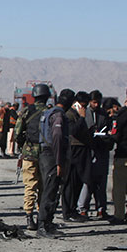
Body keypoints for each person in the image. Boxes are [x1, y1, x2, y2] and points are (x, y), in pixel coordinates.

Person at [37, 88, 73, 238]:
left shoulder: (48, 112)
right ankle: (43, 225)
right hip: (52, 155)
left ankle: (48, 223)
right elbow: (57, 137)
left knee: (50, 189)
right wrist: (59, 162)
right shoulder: (58, 115)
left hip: (45, 154)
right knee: (50, 190)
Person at [14, 84, 48, 230]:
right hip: (46, 154)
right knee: (44, 187)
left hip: (29, 154)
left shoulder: (27, 111)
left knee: (30, 187)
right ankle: (42, 218)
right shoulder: (50, 111)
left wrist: (24, 145)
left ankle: (29, 218)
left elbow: (17, 133)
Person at [77, 90, 112, 219]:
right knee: (87, 182)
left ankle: (101, 209)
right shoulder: (84, 114)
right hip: (88, 152)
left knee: (101, 182)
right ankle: (82, 209)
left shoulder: (103, 115)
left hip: (101, 152)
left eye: (98, 102)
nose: (96, 105)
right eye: (94, 102)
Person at [109, 86, 127, 224]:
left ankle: (119, 215)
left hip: (123, 154)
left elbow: (116, 135)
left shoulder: (124, 115)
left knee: (119, 188)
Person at [61, 91, 93, 222]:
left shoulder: (79, 114)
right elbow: (73, 131)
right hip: (73, 152)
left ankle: (73, 209)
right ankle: (67, 211)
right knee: (70, 183)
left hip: (82, 152)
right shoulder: (69, 115)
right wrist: (81, 118)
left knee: (79, 182)